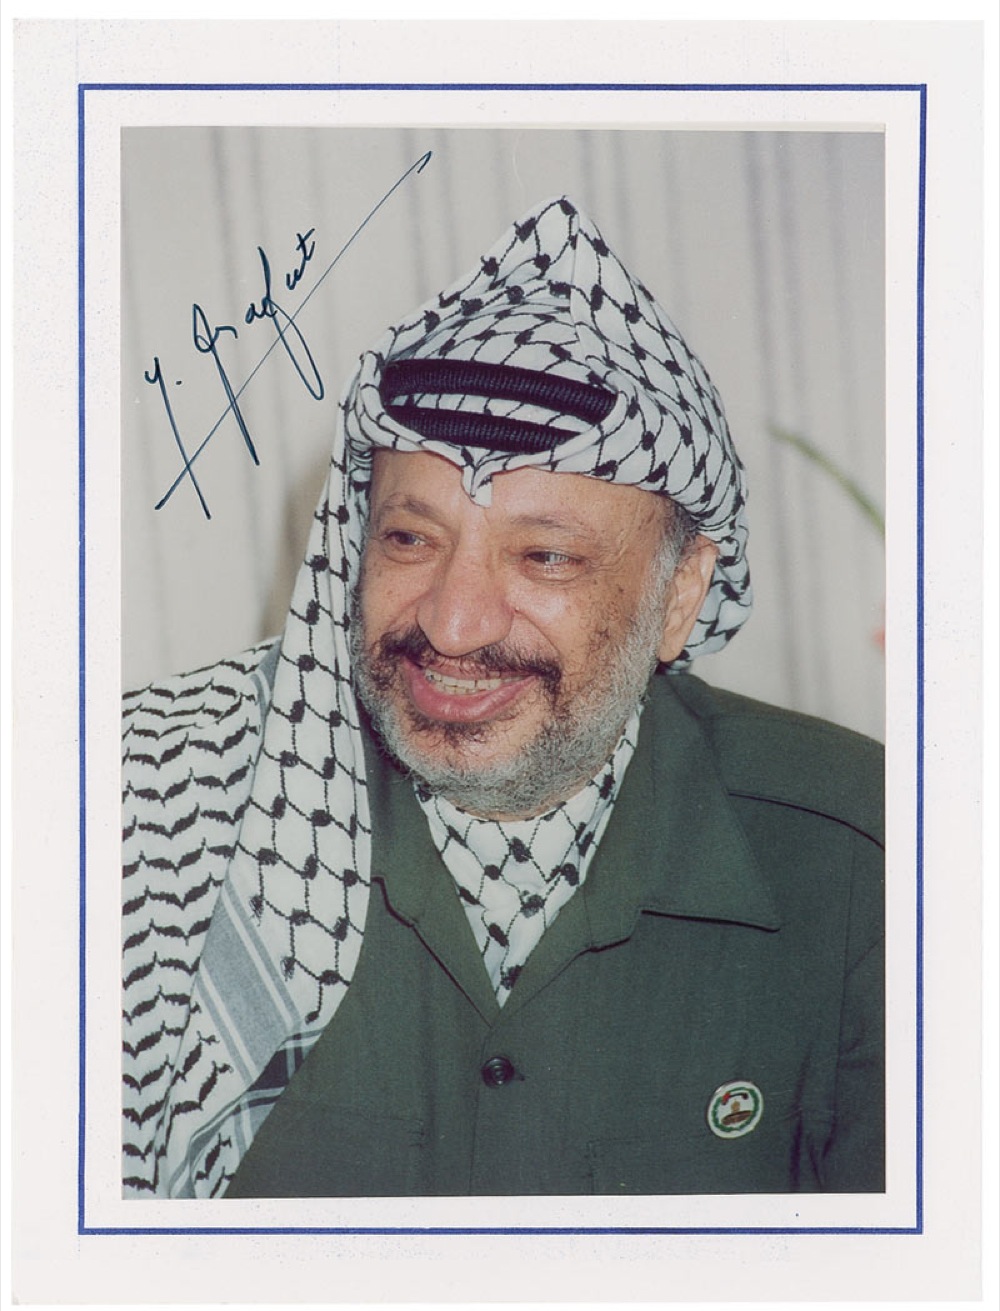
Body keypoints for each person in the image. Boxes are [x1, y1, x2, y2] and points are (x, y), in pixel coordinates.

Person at [122, 196, 884, 1199]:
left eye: (544, 556)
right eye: (410, 539)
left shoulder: (860, 850)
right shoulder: (166, 809)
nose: (453, 623)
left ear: (678, 596)